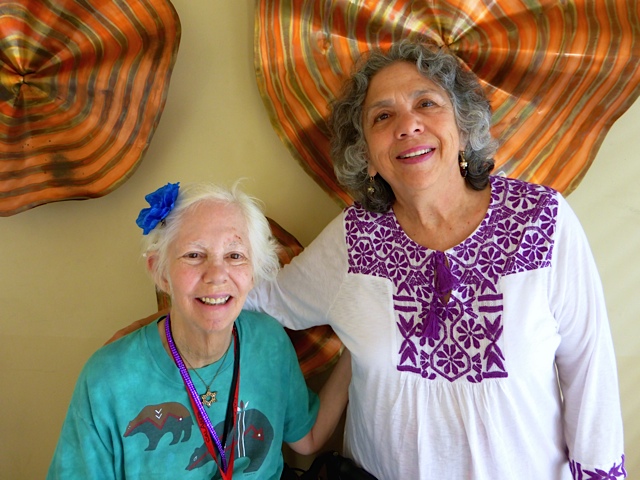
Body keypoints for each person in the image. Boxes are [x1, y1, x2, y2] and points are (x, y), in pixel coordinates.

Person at [110, 40, 626, 479]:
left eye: (426, 103)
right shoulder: (354, 239)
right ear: (367, 154)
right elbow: (264, 299)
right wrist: (174, 295)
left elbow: (589, 370)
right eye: (383, 116)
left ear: (464, 125)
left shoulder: (541, 220)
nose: (408, 125)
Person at [47, 182, 351, 480]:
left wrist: (360, 352)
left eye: (235, 256)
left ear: (253, 273)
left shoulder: (269, 342)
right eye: (194, 255)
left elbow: (308, 438)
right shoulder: (108, 379)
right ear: (160, 272)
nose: (216, 275)